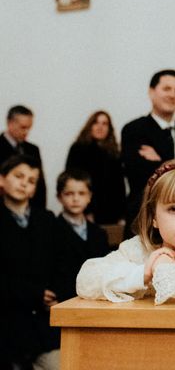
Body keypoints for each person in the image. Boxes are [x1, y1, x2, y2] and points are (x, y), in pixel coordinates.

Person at [76, 159, 175, 306]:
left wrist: (164, 269)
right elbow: (85, 281)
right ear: (153, 218)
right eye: (173, 209)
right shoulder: (137, 250)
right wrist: (144, 273)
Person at [0, 155, 60, 370]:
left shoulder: (46, 219)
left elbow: (59, 263)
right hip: (7, 323)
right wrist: (32, 293)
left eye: (31, 180)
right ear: (2, 179)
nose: (24, 183)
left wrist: (54, 295)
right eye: (19, 176)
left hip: (42, 326)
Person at [122, 69, 175, 238]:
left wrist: (160, 162)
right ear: (151, 92)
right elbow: (138, 173)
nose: (173, 95)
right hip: (143, 216)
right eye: (166, 88)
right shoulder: (134, 129)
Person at [52, 169, 110, 304]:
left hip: (95, 299)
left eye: (81, 193)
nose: (75, 199)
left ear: (89, 196)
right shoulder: (51, 228)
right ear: (59, 197)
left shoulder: (99, 233)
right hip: (62, 299)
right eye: (69, 193)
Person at [65, 110, 126, 224]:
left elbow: (119, 186)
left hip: (111, 212)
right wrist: (86, 211)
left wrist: (122, 215)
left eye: (104, 123)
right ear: (90, 126)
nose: (100, 127)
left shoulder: (113, 153)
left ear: (109, 129)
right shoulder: (78, 149)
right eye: (96, 122)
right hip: (84, 210)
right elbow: (72, 181)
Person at [0, 105, 47, 208]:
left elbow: (40, 185)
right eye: (23, 127)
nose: (26, 132)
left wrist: (40, 210)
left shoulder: (33, 149)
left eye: (29, 128)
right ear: (10, 123)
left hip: (29, 209)